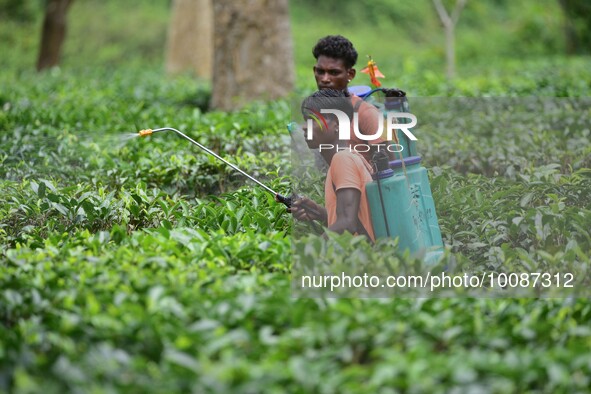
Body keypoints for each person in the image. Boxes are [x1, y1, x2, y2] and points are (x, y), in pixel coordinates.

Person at [291, 89, 375, 242]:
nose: (304, 127)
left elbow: (347, 224)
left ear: (336, 124)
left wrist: (311, 251)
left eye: (312, 120)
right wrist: (320, 212)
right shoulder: (349, 157)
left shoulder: (342, 159)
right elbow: (354, 217)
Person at [311, 35, 393, 162]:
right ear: (314, 71)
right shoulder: (316, 112)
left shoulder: (368, 114)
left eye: (334, 72)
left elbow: (390, 167)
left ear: (350, 74)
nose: (325, 79)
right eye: (320, 72)